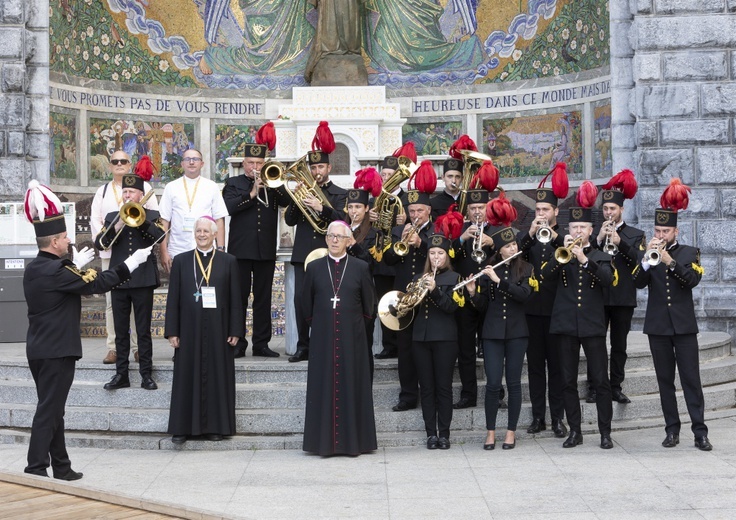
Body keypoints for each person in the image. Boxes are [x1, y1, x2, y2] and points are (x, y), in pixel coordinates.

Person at [23, 180, 150, 479]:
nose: (69, 241)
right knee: (49, 411)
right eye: (65, 238)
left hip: (38, 349)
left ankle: (62, 467)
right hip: (57, 351)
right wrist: (130, 264)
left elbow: (69, 279)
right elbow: (98, 283)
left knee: (53, 409)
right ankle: (35, 468)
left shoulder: (35, 268)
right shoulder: (58, 271)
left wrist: (74, 265)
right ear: (54, 243)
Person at [632, 178, 712, 451]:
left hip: (684, 327)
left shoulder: (690, 253)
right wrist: (646, 259)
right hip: (658, 328)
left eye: (666, 230)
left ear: (676, 231)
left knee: (691, 379)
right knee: (664, 381)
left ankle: (700, 432)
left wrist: (670, 261)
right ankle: (671, 430)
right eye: (657, 230)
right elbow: (636, 284)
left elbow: (691, 281)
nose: (661, 235)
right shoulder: (648, 254)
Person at [542, 182, 615, 450]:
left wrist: (584, 259)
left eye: (582, 228)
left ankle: (605, 432)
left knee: (601, 380)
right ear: (568, 231)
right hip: (565, 326)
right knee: (567, 381)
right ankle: (575, 431)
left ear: (590, 230)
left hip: (593, 325)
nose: (578, 232)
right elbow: (545, 276)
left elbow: (608, 280)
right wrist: (561, 254)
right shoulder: (559, 255)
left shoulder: (599, 256)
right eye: (574, 228)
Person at [165, 217, 244, 444]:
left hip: (219, 329)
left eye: (205, 231)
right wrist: (172, 331)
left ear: (214, 234)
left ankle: (215, 427)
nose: (201, 235)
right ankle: (182, 428)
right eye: (198, 231)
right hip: (188, 329)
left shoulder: (228, 261)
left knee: (217, 375)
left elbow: (236, 299)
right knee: (186, 376)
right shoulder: (181, 261)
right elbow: (173, 299)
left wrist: (236, 330)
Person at [301, 221, 377, 456]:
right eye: (330, 236)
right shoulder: (313, 268)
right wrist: (322, 325)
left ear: (348, 241)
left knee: (352, 385)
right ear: (326, 239)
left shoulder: (360, 267)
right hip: (323, 339)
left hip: (352, 340)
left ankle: (355, 443)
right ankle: (320, 443)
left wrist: (352, 327)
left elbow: (369, 307)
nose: (334, 240)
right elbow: (305, 305)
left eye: (339, 237)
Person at [95, 165, 165, 391]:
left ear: (140, 195)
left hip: (143, 279)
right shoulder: (111, 217)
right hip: (118, 280)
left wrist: (140, 219)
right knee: (121, 329)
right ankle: (121, 374)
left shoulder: (152, 215)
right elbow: (101, 244)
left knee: (143, 330)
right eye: (125, 192)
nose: (127, 196)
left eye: (131, 193)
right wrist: (117, 224)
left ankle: (146, 374)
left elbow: (159, 236)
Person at [222, 123, 289, 358]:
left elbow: (286, 202)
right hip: (240, 251)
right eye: (251, 163)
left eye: (260, 163)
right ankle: (238, 343)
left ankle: (261, 344)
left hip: (265, 251)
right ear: (244, 164)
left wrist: (273, 183)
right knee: (238, 299)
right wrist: (251, 193)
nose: (256, 167)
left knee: (263, 299)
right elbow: (230, 208)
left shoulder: (273, 184)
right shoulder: (233, 184)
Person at [466, 225, 533, 450]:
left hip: (517, 333)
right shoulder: (489, 269)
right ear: (500, 250)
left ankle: (511, 432)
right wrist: (474, 293)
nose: (513, 247)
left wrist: (498, 281)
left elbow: (523, 295)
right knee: (493, 383)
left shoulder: (526, 269)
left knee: (514, 383)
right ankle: (491, 431)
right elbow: (483, 307)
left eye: (514, 244)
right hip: (492, 333)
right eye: (508, 246)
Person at [286, 122, 347, 362]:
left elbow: (343, 220)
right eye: (313, 167)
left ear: (329, 167)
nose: (316, 170)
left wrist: (321, 207)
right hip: (303, 254)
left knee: (327, 301)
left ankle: (328, 345)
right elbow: (290, 220)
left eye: (321, 166)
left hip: (327, 254)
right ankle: (303, 346)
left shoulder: (339, 193)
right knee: (302, 301)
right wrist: (297, 198)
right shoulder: (303, 191)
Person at [518, 163, 569, 438]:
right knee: (536, 367)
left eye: (545, 211)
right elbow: (515, 255)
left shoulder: (564, 238)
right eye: (538, 211)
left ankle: (558, 417)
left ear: (555, 212)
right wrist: (529, 233)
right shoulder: (529, 238)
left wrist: (557, 236)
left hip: (557, 311)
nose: (541, 215)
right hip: (532, 311)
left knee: (558, 368)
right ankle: (539, 416)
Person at [382, 160, 437, 411]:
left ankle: (429, 394)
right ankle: (407, 396)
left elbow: (443, 260)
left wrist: (420, 244)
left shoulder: (436, 232)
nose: (415, 215)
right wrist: (400, 243)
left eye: (420, 211)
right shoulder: (397, 230)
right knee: (405, 350)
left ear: (429, 211)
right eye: (412, 210)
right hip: (403, 297)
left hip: (427, 297)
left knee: (425, 349)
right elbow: (387, 260)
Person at [588, 169, 645, 404]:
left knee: (619, 345)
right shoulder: (596, 232)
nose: (608, 212)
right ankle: (595, 386)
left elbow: (641, 263)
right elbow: (586, 256)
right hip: (599, 296)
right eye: (605, 209)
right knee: (596, 344)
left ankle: (615, 386)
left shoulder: (635, 234)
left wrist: (620, 243)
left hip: (623, 296)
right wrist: (599, 239)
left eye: (612, 209)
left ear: (622, 209)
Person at [450, 163, 499, 410]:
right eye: (473, 209)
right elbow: (446, 256)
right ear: (467, 212)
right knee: (466, 349)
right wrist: (462, 239)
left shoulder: (498, 234)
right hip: (465, 297)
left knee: (491, 347)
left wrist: (494, 244)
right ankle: (468, 394)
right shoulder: (458, 232)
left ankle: (496, 393)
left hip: (489, 295)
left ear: (487, 210)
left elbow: (508, 259)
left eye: (481, 208)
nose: (477, 212)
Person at [411, 234, 462, 449]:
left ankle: (445, 434)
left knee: (444, 387)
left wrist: (435, 290)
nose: (435, 257)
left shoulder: (455, 278)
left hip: (445, 339)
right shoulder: (417, 279)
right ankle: (431, 433)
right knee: (427, 388)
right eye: (432, 253)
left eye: (440, 253)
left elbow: (452, 307)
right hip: (421, 338)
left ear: (447, 256)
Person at [159, 148, 229, 273]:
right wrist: (163, 252)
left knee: (206, 287)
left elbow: (219, 220)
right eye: (187, 159)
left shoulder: (211, 186)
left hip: (206, 248)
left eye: (195, 159)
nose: (191, 162)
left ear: (202, 164)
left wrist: (221, 249)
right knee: (180, 289)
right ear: (182, 164)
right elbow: (164, 222)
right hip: (178, 249)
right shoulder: (171, 187)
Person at [370, 151, 410, 360]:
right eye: (384, 175)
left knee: (402, 302)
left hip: (402, 260)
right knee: (384, 303)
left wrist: (406, 221)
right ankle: (389, 345)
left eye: (390, 174)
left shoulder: (409, 200)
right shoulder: (374, 200)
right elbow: (367, 232)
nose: (386, 179)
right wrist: (370, 218)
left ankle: (403, 343)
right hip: (381, 261)